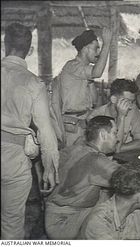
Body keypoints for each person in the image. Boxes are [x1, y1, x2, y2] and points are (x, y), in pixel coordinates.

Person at [1, 23, 59, 239]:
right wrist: (51, 168)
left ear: (4, 46)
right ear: (30, 50)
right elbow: (46, 131)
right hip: (14, 161)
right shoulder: (34, 83)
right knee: (11, 222)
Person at [45, 116, 120, 239]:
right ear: (103, 135)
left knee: (106, 195)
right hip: (66, 224)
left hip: (53, 215)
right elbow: (129, 179)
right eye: (114, 133)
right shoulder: (96, 160)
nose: (117, 139)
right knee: (124, 203)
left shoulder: (74, 148)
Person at [56, 28, 112, 147]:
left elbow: (94, 100)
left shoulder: (84, 71)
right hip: (72, 125)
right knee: (72, 161)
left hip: (83, 122)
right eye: (96, 48)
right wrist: (106, 45)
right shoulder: (72, 66)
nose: (98, 53)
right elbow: (97, 73)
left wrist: (90, 81)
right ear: (85, 49)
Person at [87, 79, 140, 152]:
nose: (130, 106)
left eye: (132, 102)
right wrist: (121, 116)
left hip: (121, 156)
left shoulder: (132, 110)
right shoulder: (95, 116)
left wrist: (119, 148)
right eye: (127, 101)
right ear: (114, 99)